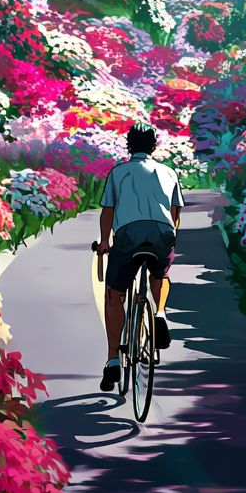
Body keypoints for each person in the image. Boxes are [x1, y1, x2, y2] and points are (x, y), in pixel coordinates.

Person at [95, 122, 183, 393]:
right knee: (160, 273)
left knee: (114, 293)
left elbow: (108, 211)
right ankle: (160, 312)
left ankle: (112, 359)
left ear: (129, 145)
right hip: (162, 232)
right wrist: (168, 239)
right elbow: (175, 213)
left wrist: (104, 244)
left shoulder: (118, 172)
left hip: (129, 236)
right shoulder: (169, 172)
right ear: (154, 146)